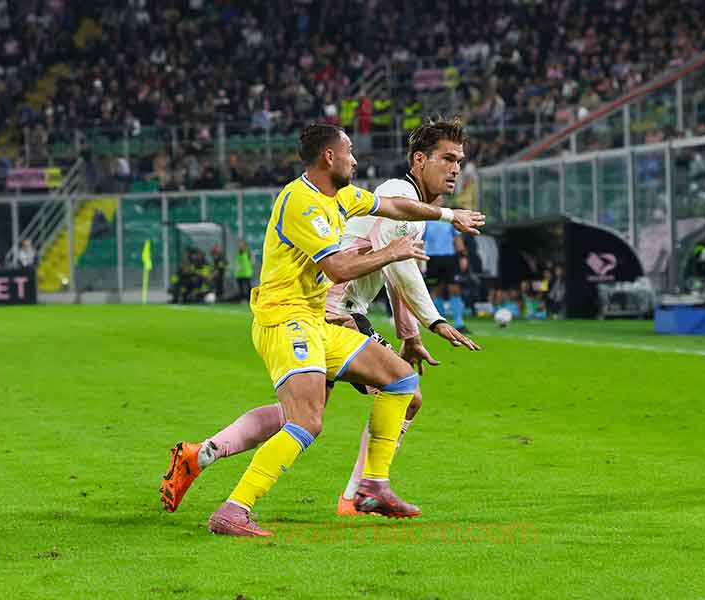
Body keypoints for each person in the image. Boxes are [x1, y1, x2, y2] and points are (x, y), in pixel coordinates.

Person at [160, 124, 485, 536]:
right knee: (307, 420)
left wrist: (449, 216)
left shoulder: (343, 197)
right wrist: (396, 262)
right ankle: (233, 510)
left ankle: (369, 485)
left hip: (316, 320)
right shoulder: (301, 202)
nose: (356, 160)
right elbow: (337, 268)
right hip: (285, 320)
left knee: (400, 380)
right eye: (349, 152)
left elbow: (393, 208)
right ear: (329, 157)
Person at [423, 217, 469, 333]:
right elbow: (420, 241)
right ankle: (440, 322)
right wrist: (418, 261)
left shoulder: (449, 217)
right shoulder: (425, 220)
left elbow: (457, 239)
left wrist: (463, 256)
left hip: (449, 258)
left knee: (455, 289)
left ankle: (459, 323)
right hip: (432, 258)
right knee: (435, 290)